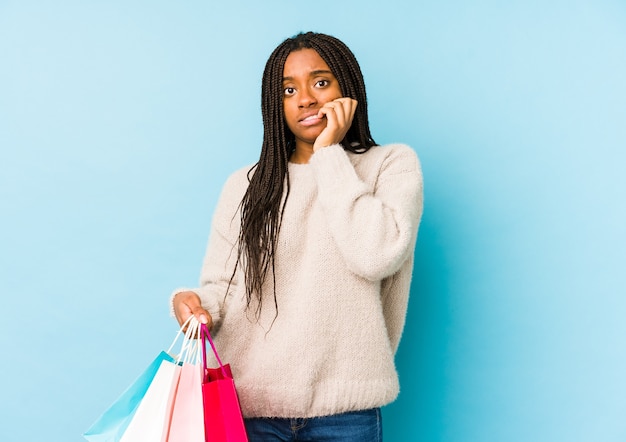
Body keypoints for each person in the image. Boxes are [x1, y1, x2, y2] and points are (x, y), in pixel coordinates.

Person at [171, 31, 423, 441]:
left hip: (346, 413)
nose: (306, 98)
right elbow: (223, 287)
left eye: (321, 82)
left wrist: (328, 154)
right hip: (250, 411)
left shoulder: (390, 165)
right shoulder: (244, 186)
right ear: (276, 105)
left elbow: (375, 254)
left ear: (348, 88)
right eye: (289, 90)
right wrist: (195, 304)